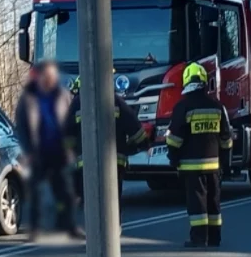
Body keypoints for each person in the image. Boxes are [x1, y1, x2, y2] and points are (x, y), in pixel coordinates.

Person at [64, 75, 149, 221]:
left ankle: (94, 233)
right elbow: (135, 127)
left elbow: (66, 134)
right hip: (115, 161)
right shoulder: (116, 101)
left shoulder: (77, 103)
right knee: (113, 196)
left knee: (89, 198)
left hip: (86, 163)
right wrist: (139, 146)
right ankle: (114, 228)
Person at [166, 62, 232, 248]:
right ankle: (214, 238)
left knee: (197, 205)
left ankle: (198, 238)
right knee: (213, 202)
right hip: (214, 166)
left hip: (191, 166)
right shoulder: (218, 106)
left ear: (186, 81)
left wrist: (173, 159)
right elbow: (226, 138)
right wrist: (225, 163)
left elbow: (175, 138)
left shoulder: (183, 107)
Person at [13, 60, 80, 240]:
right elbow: (22, 127)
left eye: (53, 76)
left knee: (66, 192)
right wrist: (27, 151)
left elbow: (73, 122)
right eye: (47, 76)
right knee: (35, 193)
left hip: (60, 151)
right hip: (38, 152)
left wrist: (73, 147)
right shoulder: (29, 98)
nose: (50, 79)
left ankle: (69, 226)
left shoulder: (63, 95)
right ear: (41, 76)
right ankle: (34, 229)